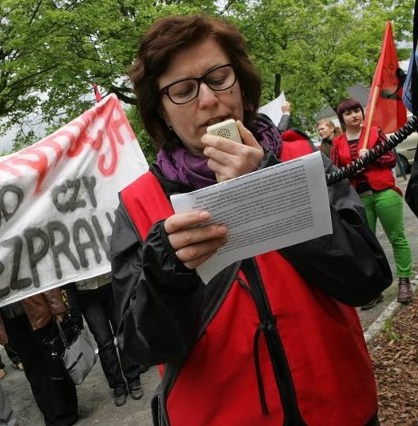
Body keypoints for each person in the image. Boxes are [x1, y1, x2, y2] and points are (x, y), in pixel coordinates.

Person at [111, 14, 392, 426]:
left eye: (219, 77)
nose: (208, 100)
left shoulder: (300, 160)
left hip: (338, 408)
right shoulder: (138, 203)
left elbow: (368, 277)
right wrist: (167, 273)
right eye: (183, 90)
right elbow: (141, 346)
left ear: (241, 87)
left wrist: (271, 188)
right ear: (162, 113)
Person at [331, 98, 414, 306]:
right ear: (342, 118)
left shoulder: (374, 133)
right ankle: (375, 290)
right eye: (348, 113)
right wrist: (351, 168)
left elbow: (391, 160)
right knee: (366, 246)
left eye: (357, 110)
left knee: (396, 236)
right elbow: (334, 172)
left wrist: (372, 156)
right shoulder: (338, 143)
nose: (354, 115)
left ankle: (404, 281)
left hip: (384, 192)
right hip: (358, 200)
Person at [0, 289, 78, 426]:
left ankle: (68, 410)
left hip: (38, 310)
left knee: (54, 361)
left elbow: (42, 275)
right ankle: (51, 415)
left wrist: (57, 307)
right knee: (33, 370)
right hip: (10, 319)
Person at [64, 274, 143, 406]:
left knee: (123, 333)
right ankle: (118, 385)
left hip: (111, 284)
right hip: (85, 292)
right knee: (104, 341)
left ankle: (133, 379)